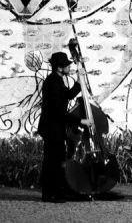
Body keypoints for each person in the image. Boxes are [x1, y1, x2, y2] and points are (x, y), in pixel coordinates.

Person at [37, 52, 90, 203]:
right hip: (51, 128)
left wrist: (79, 80)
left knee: (56, 160)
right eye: (66, 65)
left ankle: (56, 192)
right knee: (52, 162)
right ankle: (50, 194)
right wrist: (81, 121)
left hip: (55, 127)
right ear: (59, 68)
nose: (69, 67)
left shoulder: (57, 80)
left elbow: (68, 95)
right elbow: (58, 111)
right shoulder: (52, 82)